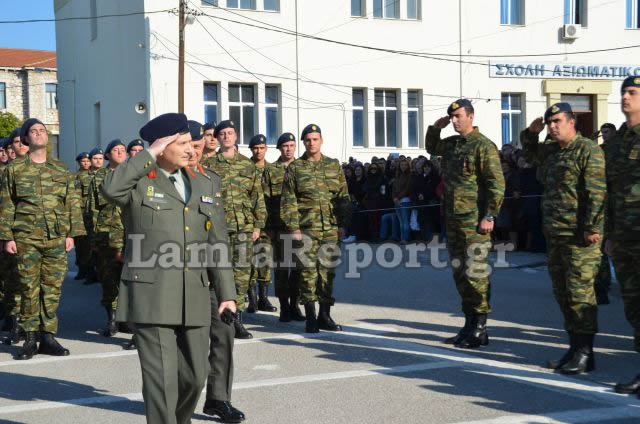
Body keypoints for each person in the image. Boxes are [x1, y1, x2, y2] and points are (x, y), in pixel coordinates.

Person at [101, 113, 241, 424]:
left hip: (194, 294)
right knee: (162, 382)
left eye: (191, 144)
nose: (191, 149)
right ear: (162, 146)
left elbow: (217, 242)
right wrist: (148, 154)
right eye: (181, 143)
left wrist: (227, 294)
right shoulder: (138, 182)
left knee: (194, 377)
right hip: (152, 295)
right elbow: (110, 189)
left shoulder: (203, 182)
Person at [522, 103, 606, 374]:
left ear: (572, 122)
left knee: (581, 294)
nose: (553, 126)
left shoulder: (588, 150)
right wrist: (530, 135)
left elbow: (596, 192)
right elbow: (531, 157)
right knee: (563, 294)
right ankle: (573, 347)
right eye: (549, 123)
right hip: (556, 233)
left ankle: (586, 352)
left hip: (580, 236)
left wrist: (593, 227)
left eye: (557, 121)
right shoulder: (551, 151)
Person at [0, 118, 85, 360]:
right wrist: (7, 237)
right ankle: (29, 337)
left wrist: (72, 234)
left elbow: (72, 203)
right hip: (25, 236)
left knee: (52, 287)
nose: (39, 134)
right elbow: (7, 204)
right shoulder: (14, 170)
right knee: (28, 287)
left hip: (56, 236)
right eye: (33, 131)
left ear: (47, 138)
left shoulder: (61, 169)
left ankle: (47, 336)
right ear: (25, 139)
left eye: (42, 130)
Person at [426, 99, 505, 349]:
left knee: (476, 273)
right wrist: (435, 128)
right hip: (453, 220)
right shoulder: (451, 144)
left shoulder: (483, 146)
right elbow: (431, 148)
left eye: (458, 116)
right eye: (451, 117)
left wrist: (490, 215)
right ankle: (469, 324)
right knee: (460, 273)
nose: (454, 120)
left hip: (475, 222)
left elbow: (496, 184)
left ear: (471, 116)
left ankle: (481, 327)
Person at [185, 120, 245, 422]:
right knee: (187, 345)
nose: (195, 152)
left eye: (199, 146)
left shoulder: (211, 180)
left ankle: (218, 398)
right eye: (191, 147)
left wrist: (227, 291)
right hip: (181, 274)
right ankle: (179, 401)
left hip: (212, 275)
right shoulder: (166, 180)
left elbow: (218, 234)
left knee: (224, 332)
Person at [280, 124, 352, 333]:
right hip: (306, 228)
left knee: (328, 272)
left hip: (330, 227)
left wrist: (342, 224)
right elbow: (288, 200)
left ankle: (325, 315)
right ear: (304, 143)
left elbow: (343, 196)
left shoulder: (333, 165)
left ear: (321, 141)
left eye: (315, 139)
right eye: (308, 140)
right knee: (307, 272)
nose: (312, 143)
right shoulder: (295, 168)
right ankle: (310, 316)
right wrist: (293, 228)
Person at [201, 120, 266, 340]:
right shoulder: (209, 165)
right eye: (222, 134)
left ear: (236, 136)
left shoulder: (248, 165)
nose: (227, 137)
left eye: (230, 133)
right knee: (218, 271)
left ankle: (236, 319)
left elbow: (257, 197)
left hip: (244, 227)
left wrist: (258, 225)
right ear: (217, 138)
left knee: (242, 273)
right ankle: (217, 315)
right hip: (218, 228)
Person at [606, 77, 640, 396]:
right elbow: (612, 190)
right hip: (625, 236)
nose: (625, 97)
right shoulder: (621, 140)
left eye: (632, 93)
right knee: (633, 305)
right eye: (624, 93)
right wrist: (610, 233)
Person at [87, 139, 128, 337]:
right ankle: (112, 319)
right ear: (108, 156)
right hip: (106, 235)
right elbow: (93, 209)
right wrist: (93, 240)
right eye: (115, 150)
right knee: (109, 278)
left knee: (129, 279)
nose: (120, 152)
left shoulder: (134, 175)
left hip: (130, 234)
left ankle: (126, 318)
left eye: (122, 150)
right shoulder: (99, 177)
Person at [264, 132, 305, 322]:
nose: (288, 149)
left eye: (291, 145)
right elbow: (265, 200)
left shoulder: (303, 167)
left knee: (298, 268)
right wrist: (268, 226)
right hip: (279, 225)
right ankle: (284, 306)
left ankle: (295, 304)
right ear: (279, 148)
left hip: (299, 226)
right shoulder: (271, 170)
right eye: (285, 146)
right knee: (281, 269)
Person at [247, 134, 277, 314]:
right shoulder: (245, 167)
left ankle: (263, 297)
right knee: (249, 260)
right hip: (248, 221)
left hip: (266, 223)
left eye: (262, 148)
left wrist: (273, 224)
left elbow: (275, 199)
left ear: (266, 149)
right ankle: (252, 300)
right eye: (255, 148)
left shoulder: (272, 170)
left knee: (264, 259)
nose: (259, 151)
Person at [73, 152, 93, 281]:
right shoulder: (75, 177)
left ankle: (91, 271)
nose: (86, 163)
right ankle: (82, 269)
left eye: (87, 161)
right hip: (80, 214)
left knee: (90, 244)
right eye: (83, 161)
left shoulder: (95, 175)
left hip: (91, 213)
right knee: (80, 244)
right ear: (79, 163)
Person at [392, 158, 412, 243]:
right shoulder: (397, 175)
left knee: (405, 221)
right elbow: (393, 189)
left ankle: (405, 238)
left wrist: (398, 197)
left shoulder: (409, 175)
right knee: (401, 222)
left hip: (405, 201)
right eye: (402, 165)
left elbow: (407, 189)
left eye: (405, 165)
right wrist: (394, 198)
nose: (403, 166)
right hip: (397, 201)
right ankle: (402, 238)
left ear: (408, 166)